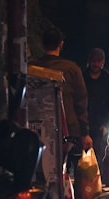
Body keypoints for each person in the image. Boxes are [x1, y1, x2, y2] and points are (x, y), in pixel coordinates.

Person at [30, 26, 93, 155]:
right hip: (68, 128)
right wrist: (85, 132)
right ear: (61, 44)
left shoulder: (32, 68)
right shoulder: (72, 69)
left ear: (43, 44)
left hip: (36, 127)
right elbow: (81, 102)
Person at [84, 47, 109, 163]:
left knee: (97, 161)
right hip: (84, 126)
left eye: (98, 61)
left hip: (100, 128)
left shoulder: (108, 81)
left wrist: (107, 125)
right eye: (93, 61)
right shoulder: (82, 78)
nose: (95, 64)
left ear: (103, 62)